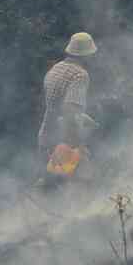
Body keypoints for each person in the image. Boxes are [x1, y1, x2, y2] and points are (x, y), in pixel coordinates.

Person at [38, 32, 100, 179]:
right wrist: (78, 146)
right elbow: (70, 112)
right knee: (79, 186)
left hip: (45, 135)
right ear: (87, 55)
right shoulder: (80, 75)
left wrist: (85, 119)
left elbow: (56, 105)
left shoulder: (55, 69)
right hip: (64, 143)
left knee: (49, 189)